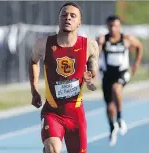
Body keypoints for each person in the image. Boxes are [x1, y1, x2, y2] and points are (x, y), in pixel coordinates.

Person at [29, 2, 99, 153]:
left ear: (79, 22)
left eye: (73, 16)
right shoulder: (43, 44)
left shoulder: (89, 46)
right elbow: (33, 62)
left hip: (76, 116)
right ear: (58, 19)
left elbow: (93, 81)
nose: (68, 18)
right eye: (64, 15)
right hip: (52, 112)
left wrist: (90, 80)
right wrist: (34, 90)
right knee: (52, 149)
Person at [97, 15, 143, 146]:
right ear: (107, 27)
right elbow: (95, 55)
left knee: (116, 88)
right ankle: (112, 126)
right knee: (110, 106)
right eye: (110, 26)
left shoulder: (126, 39)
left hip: (122, 72)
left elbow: (139, 46)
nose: (113, 29)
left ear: (119, 27)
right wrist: (99, 45)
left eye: (115, 26)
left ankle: (120, 117)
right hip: (107, 75)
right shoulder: (103, 39)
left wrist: (136, 64)